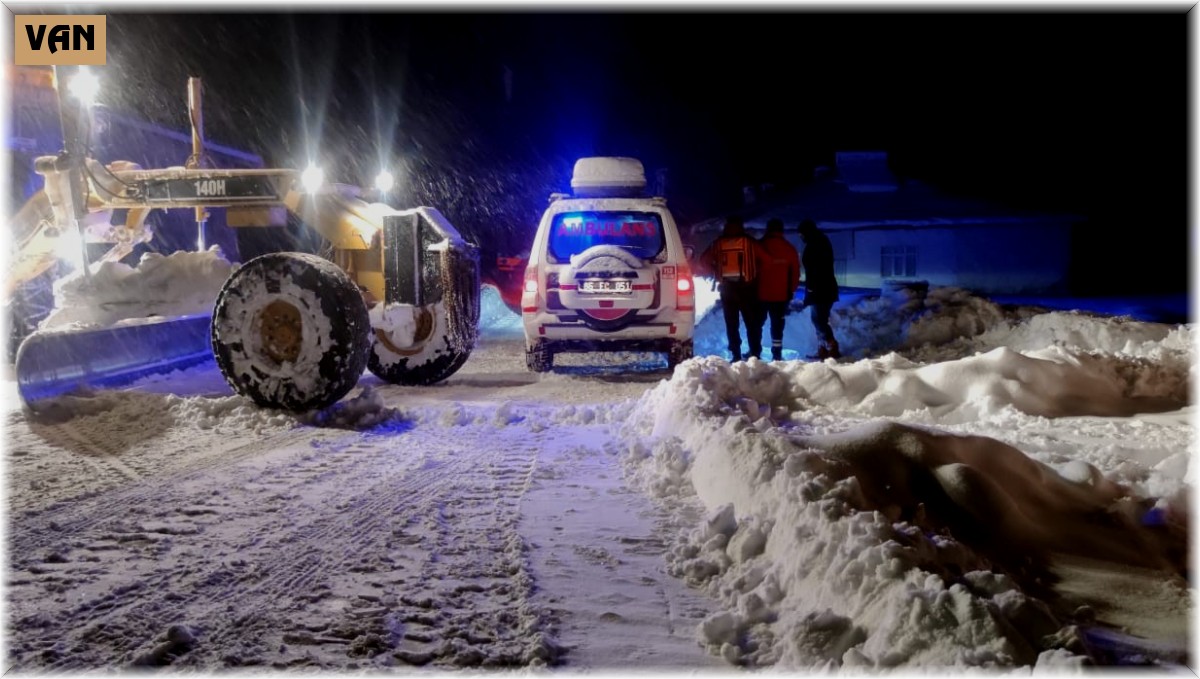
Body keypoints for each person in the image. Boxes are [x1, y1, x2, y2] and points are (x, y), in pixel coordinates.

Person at [700, 215, 767, 361]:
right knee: (751, 323)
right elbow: (766, 259)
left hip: (727, 289)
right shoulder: (749, 242)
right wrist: (756, 271)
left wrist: (715, 271)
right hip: (747, 287)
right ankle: (755, 353)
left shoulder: (718, 243)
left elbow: (703, 261)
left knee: (732, 324)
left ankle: (735, 354)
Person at [755, 218, 801, 361]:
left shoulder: (760, 246)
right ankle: (777, 353)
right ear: (781, 230)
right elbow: (795, 273)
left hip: (760, 294)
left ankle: (754, 351)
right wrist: (791, 290)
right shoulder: (789, 249)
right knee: (777, 326)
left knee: (756, 324)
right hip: (781, 296)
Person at [797, 218, 841, 359]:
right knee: (819, 319)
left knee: (818, 319)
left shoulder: (816, 244)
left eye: (801, 234)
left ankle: (831, 346)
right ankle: (823, 348)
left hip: (821, 289)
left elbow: (815, 270)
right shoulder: (819, 241)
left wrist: (811, 289)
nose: (800, 237)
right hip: (823, 288)